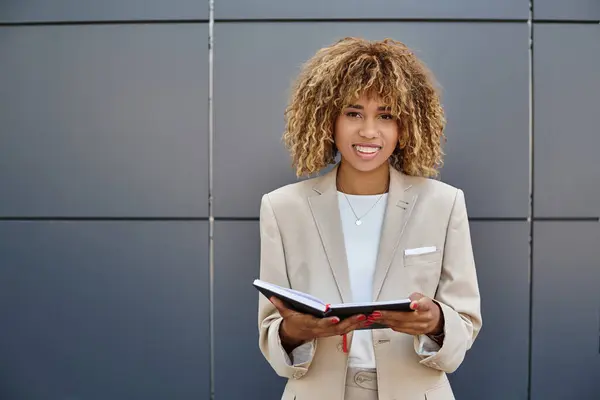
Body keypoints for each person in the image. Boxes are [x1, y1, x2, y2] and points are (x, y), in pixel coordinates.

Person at [257, 37, 482, 400]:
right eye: (353, 113)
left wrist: (436, 322)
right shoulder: (282, 208)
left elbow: (465, 323)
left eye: (386, 115)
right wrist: (294, 331)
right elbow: (270, 333)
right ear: (326, 119)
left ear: (406, 125)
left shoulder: (444, 203)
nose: (368, 131)